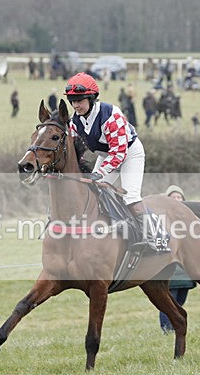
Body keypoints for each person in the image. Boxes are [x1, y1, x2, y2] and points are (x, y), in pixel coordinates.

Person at [64, 72, 165, 252]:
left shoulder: (111, 115)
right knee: (93, 192)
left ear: (91, 98)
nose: (75, 105)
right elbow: (74, 151)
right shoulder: (74, 122)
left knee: (131, 196)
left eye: (79, 100)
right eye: (73, 101)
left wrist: (99, 173)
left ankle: (153, 237)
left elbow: (119, 152)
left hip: (130, 154)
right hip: (106, 155)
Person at [157, 186, 196, 333]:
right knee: (168, 301)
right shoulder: (161, 220)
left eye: (179, 197)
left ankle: (175, 326)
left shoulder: (188, 222)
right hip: (169, 269)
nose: (177, 200)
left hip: (184, 270)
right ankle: (167, 329)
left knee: (180, 301)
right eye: (173, 197)